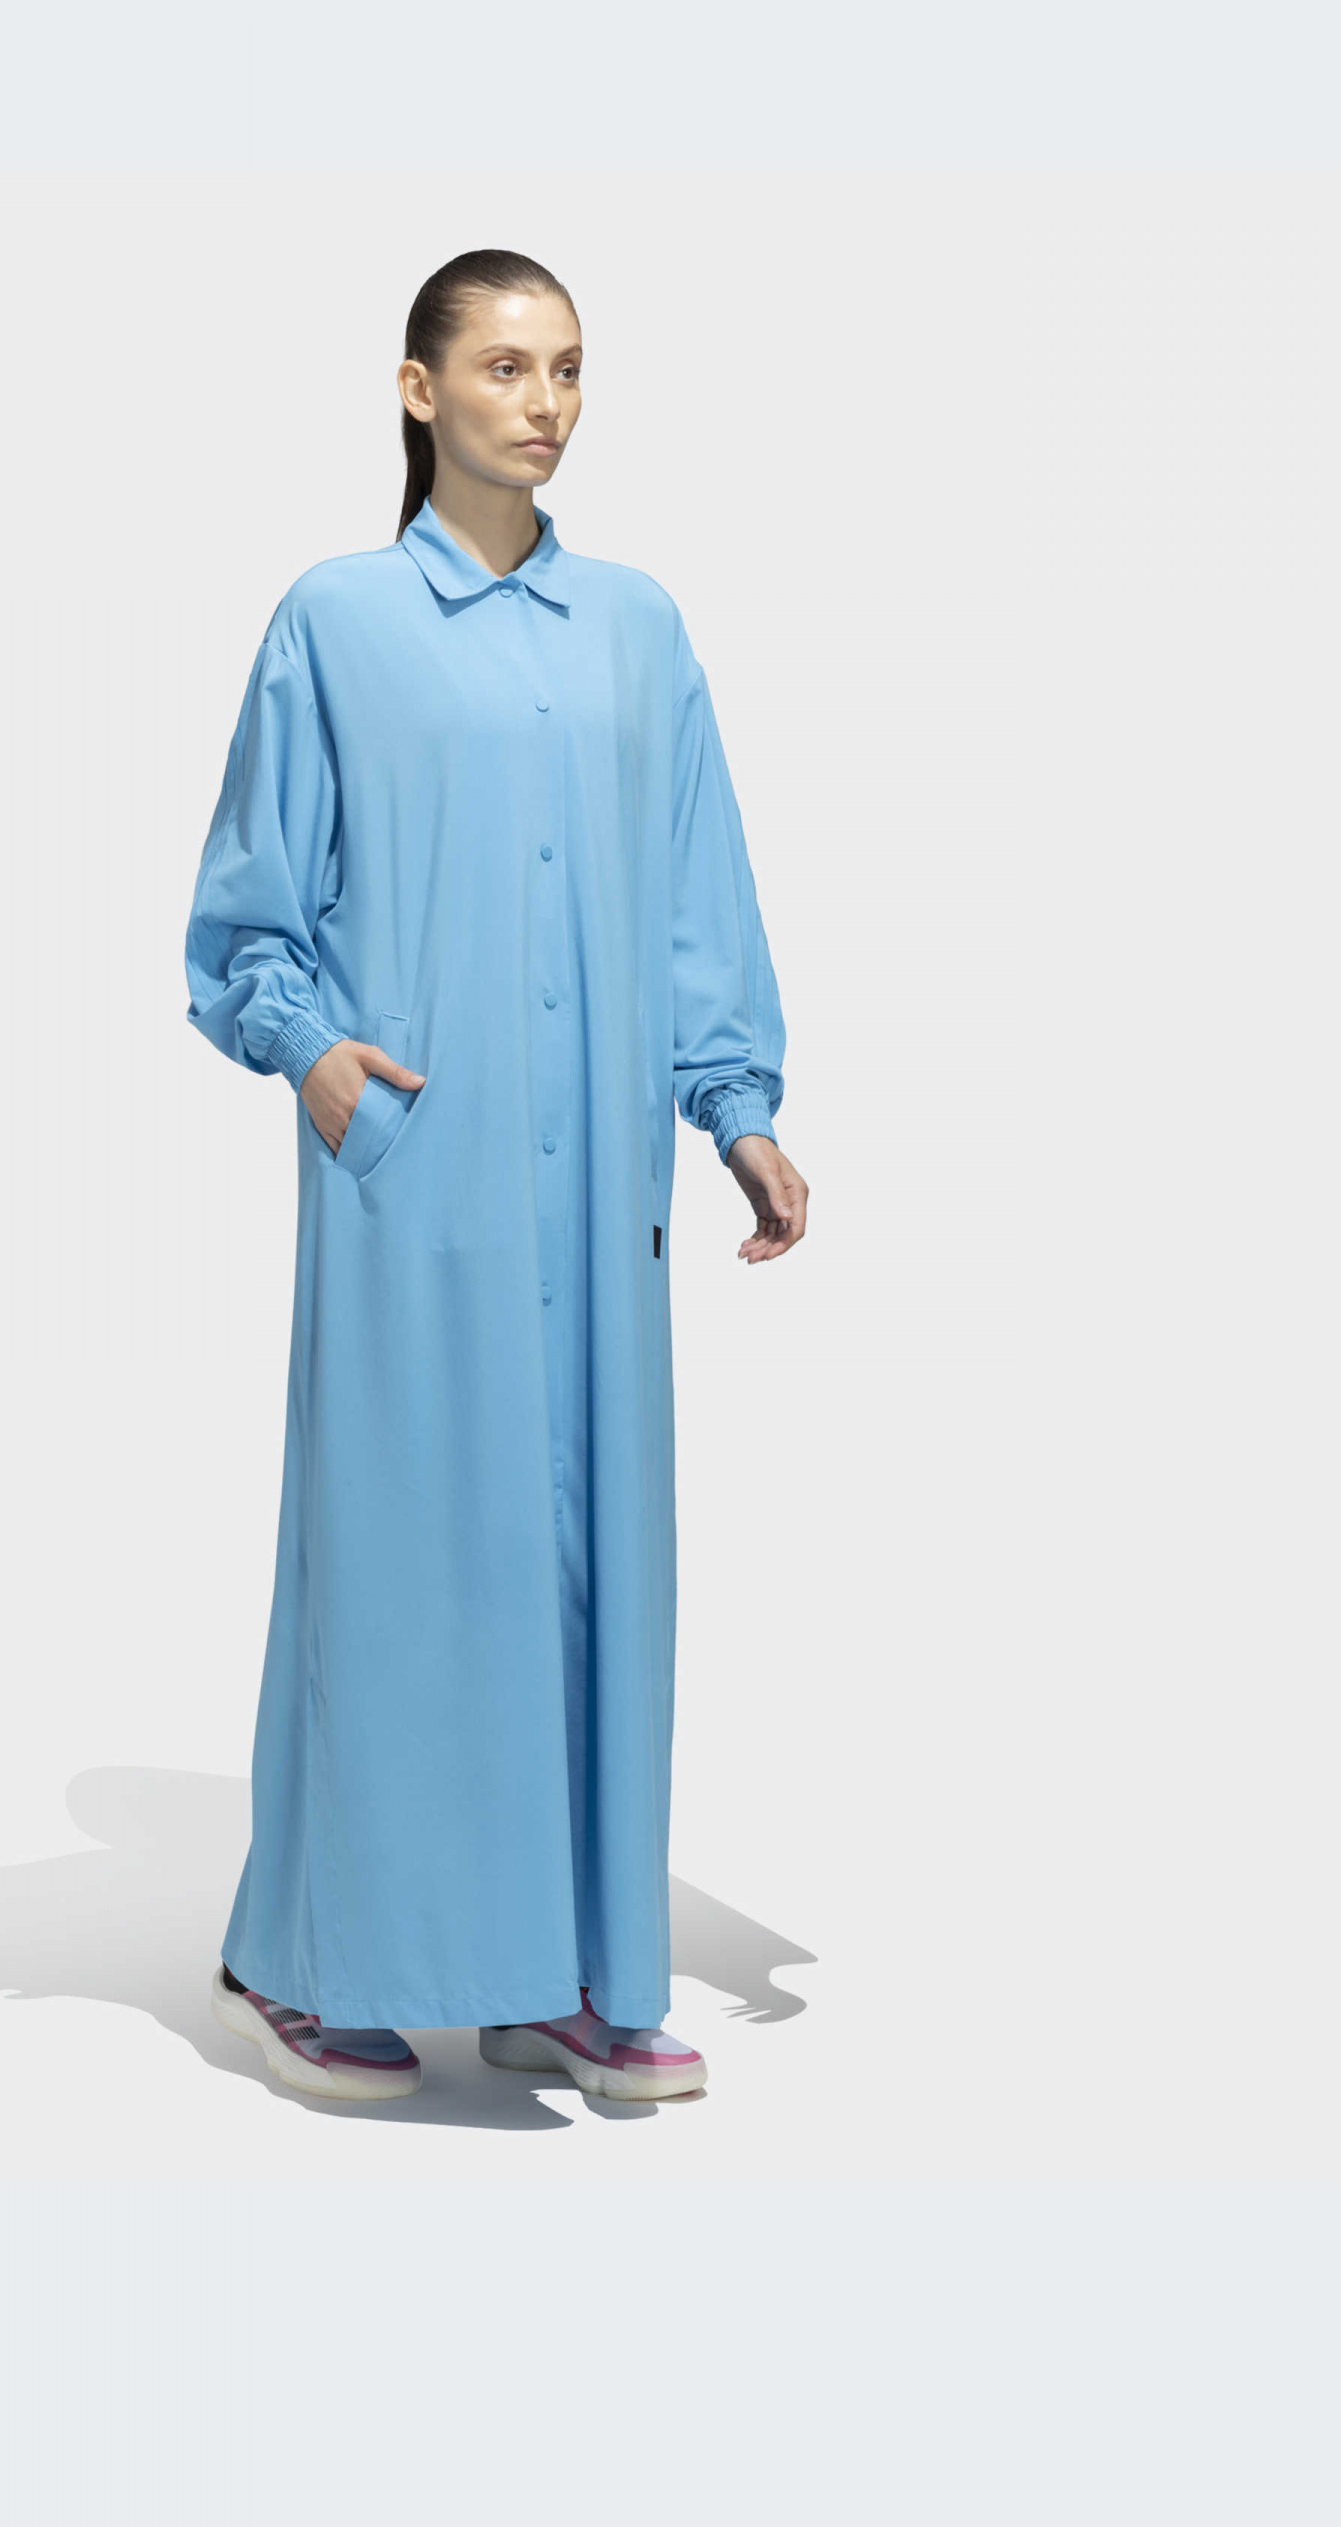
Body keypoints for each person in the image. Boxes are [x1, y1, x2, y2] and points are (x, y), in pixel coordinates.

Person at [185, 249, 806, 2105]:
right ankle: (315, 1958)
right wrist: (311, 1056)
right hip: (417, 1167)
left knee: (589, 1566)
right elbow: (249, 910)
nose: (545, 404)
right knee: (403, 1563)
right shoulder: (337, 619)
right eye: (507, 367)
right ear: (418, 388)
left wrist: (736, 1105)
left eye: (570, 370)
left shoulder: (636, 628)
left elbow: (694, 890)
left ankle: (565, 1971)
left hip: (598, 1189)